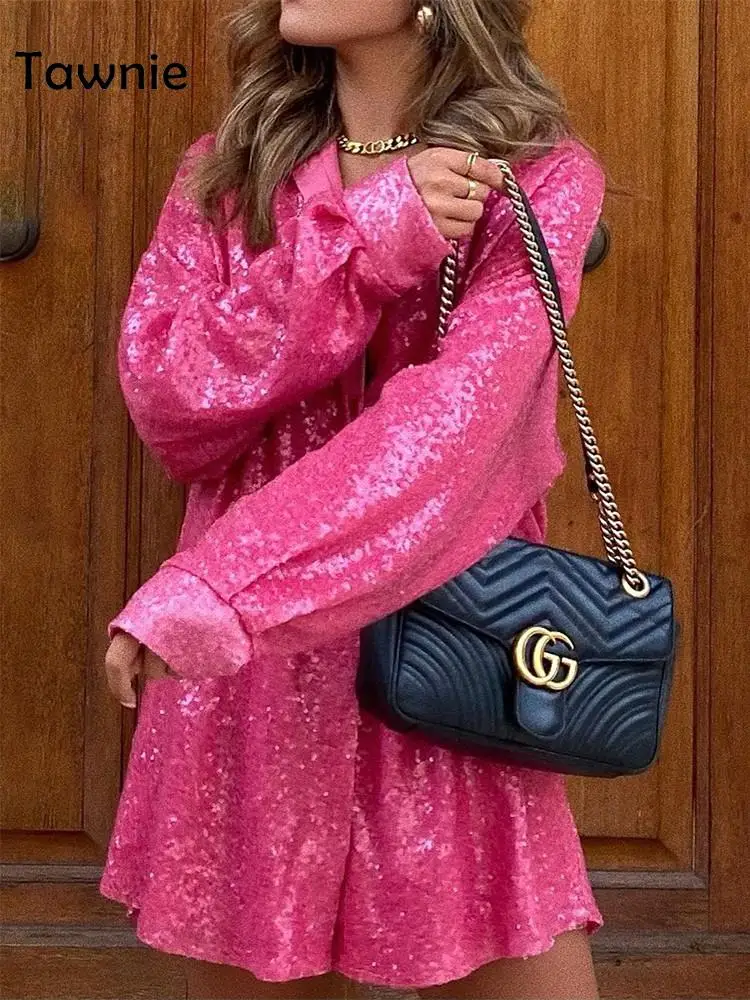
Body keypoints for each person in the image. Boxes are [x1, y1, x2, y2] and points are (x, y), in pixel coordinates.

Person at [101, 1, 608, 996]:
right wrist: (367, 239)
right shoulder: (228, 174)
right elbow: (170, 398)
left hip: (452, 657)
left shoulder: (537, 179)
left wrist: (223, 586)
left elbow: (458, 433)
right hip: (252, 682)